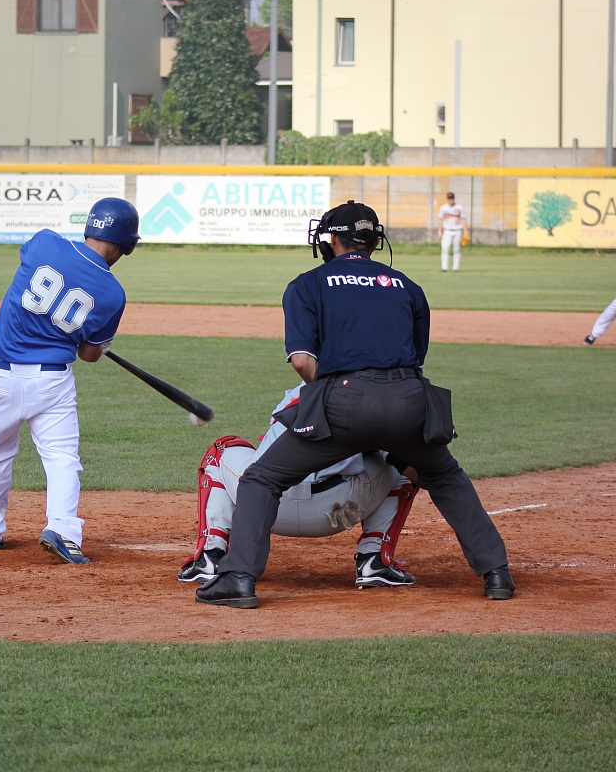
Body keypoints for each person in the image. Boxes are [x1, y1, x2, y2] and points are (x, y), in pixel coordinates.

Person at [197, 200, 514, 608]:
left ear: (330, 241)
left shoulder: (307, 284)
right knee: (446, 477)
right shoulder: (409, 287)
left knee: (261, 478)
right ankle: (497, 574)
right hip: (408, 398)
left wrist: (335, 392)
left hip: (344, 401)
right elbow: (414, 359)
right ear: (375, 242)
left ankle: (238, 578)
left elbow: (302, 361)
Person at [0, 197, 140, 564]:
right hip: (51, 383)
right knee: (62, 459)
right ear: (127, 245)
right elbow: (89, 354)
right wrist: (97, 339)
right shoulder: (113, 294)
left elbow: (36, 278)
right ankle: (63, 529)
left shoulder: (45, 242)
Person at [179, 382, 418, 588]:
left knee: (221, 450)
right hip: (338, 514)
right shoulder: (371, 398)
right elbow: (418, 473)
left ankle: (211, 555)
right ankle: (374, 558)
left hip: (264, 509)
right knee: (401, 458)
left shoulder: (294, 396)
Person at [437, 191, 468, 272]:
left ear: (454, 198)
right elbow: (440, 220)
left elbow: (463, 219)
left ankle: (455, 268)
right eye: (449, 198)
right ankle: (444, 267)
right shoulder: (443, 208)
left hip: (457, 230)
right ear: (447, 199)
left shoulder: (459, 207)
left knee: (456, 249)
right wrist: (439, 231)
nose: (451, 200)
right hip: (447, 231)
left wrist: (466, 231)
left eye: (452, 198)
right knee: (445, 248)